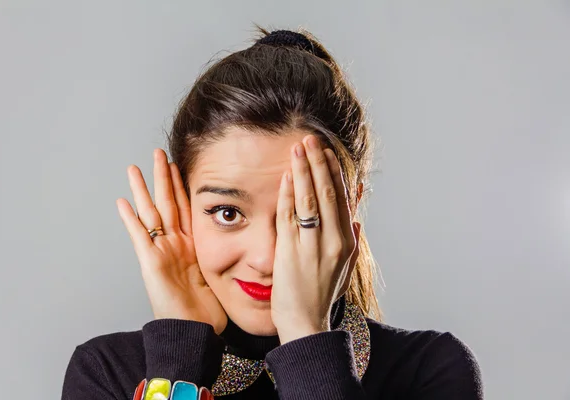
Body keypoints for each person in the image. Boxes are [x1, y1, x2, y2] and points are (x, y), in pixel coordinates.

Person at [62, 27, 483, 400]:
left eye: (301, 213)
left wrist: (306, 333)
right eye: (227, 212)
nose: (265, 259)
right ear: (183, 206)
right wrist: (178, 361)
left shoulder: (430, 371)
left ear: (348, 203)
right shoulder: (108, 373)